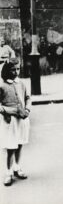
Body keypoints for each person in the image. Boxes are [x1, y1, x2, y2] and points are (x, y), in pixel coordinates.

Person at [0, 58, 31, 186]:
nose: (16, 72)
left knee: (19, 144)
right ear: (7, 70)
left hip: (22, 119)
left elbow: (28, 98)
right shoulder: (2, 86)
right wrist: (8, 111)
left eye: (18, 69)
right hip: (10, 121)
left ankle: (17, 167)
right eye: (13, 69)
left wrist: (27, 109)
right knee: (11, 147)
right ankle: (8, 172)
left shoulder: (21, 83)